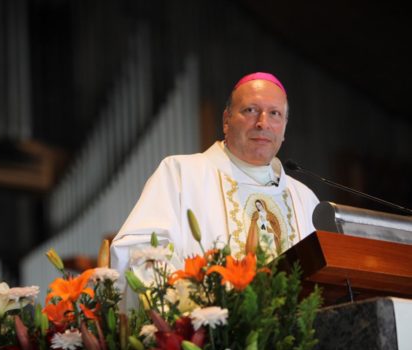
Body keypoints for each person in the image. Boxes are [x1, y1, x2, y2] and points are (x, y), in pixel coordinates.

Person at [110, 72, 319, 305]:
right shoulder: (180, 174)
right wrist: (195, 304)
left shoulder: (304, 199)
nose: (263, 123)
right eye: (250, 110)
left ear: (284, 128)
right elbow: (139, 252)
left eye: (275, 114)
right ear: (226, 121)